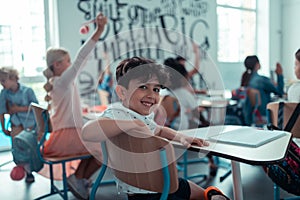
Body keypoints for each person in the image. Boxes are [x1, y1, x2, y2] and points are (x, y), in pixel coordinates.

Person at [82, 57, 230, 200]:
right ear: (122, 92)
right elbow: (87, 132)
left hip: (153, 185)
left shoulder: (138, 115)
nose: (151, 95)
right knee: (183, 187)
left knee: (192, 189)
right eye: (143, 87)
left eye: (156, 89)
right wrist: (132, 124)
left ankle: (210, 194)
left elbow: (158, 129)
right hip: (151, 190)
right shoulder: (118, 114)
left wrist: (180, 137)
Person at [41, 12, 108, 200]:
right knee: (104, 150)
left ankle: (79, 178)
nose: (71, 65)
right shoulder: (62, 81)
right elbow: (81, 58)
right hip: (68, 136)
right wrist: (99, 30)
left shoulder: (57, 82)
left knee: (99, 150)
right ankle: (79, 178)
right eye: (67, 62)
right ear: (58, 64)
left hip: (65, 133)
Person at [0, 66, 38, 183]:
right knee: (17, 148)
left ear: (13, 78)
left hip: (30, 124)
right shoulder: (4, 93)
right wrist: (3, 127)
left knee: (30, 148)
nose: (1, 84)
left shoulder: (28, 91)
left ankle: (32, 167)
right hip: (16, 124)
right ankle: (27, 171)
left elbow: (35, 108)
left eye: (3, 81)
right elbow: (1, 111)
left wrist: (18, 109)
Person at [241, 55, 284, 125]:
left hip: (251, 119)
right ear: (257, 65)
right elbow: (280, 92)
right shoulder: (262, 80)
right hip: (264, 118)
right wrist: (280, 75)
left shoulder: (246, 80)